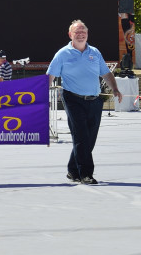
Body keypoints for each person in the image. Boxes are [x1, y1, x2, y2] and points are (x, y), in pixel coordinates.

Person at [47, 20, 123, 184]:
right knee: (81, 135)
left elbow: (106, 74)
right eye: (77, 32)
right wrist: (43, 97)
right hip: (73, 99)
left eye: (84, 32)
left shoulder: (95, 52)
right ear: (70, 35)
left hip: (95, 100)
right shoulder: (62, 54)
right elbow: (50, 76)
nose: (81, 35)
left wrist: (115, 89)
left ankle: (73, 170)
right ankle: (85, 174)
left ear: (87, 34)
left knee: (89, 139)